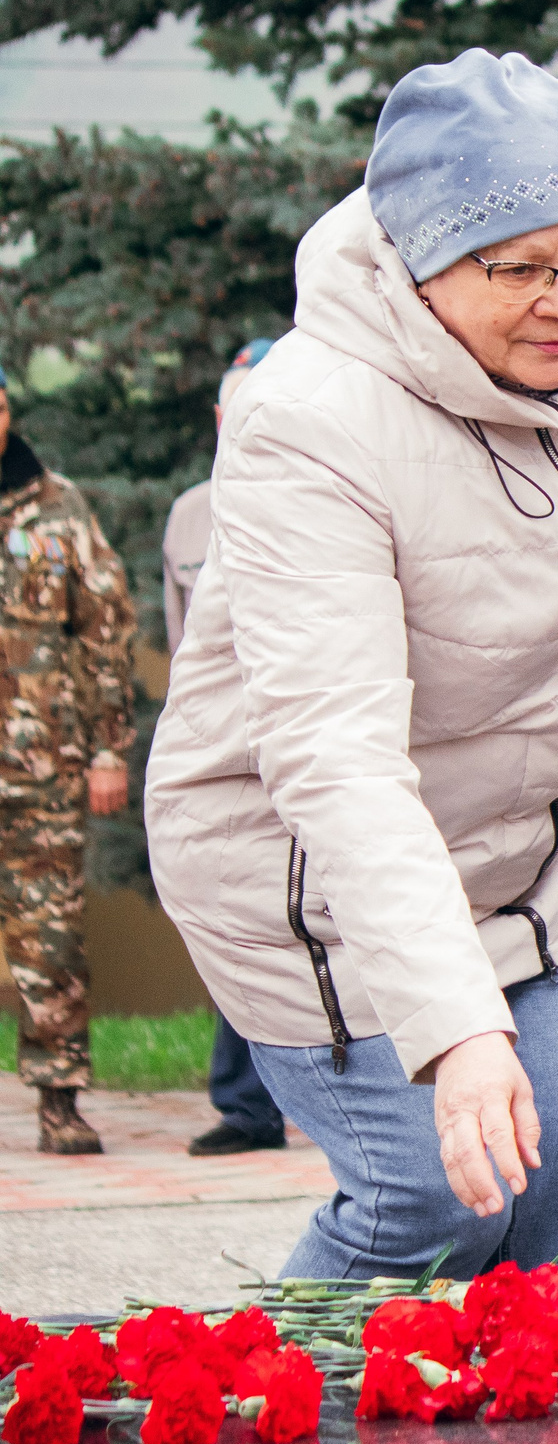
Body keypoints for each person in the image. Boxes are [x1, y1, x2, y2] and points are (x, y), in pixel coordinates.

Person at [146, 50, 558, 1277]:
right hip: (313, 879)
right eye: (521, 268)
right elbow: (336, 759)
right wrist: (456, 1031)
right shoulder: (308, 420)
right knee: (441, 1196)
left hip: (533, 847)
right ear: (421, 265)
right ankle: (251, 1431)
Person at [0, 361, 135, 1155]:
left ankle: (59, 1102)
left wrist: (108, 746)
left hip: (40, 767)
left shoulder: (59, 507)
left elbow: (105, 631)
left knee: (50, 939)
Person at [165, 339, 292, 1159]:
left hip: (317, 737)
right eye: (235, 401)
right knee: (241, 914)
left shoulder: (322, 488)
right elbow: (182, 639)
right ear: (220, 414)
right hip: (230, 750)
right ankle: (246, 1107)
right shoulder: (188, 515)